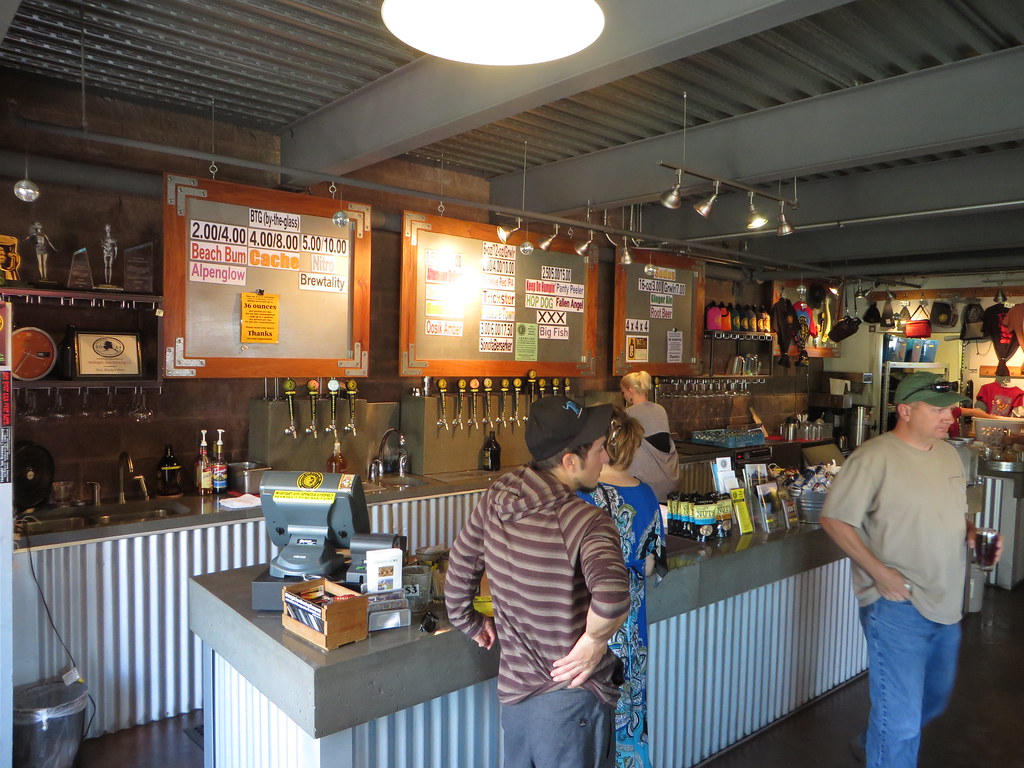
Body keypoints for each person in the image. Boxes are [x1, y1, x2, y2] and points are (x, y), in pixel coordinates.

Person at [819, 372, 1003, 768]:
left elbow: (956, 515)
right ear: (905, 410)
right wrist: (880, 573)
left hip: (946, 603)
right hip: (895, 606)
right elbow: (835, 519)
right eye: (938, 409)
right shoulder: (873, 456)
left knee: (931, 701)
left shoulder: (948, 453)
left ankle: (874, 743)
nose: (949, 417)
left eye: (950, 409)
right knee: (901, 724)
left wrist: (975, 534)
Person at [445, 396, 630, 768]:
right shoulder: (586, 521)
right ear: (569, 461)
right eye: (599, 449)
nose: (606, 458)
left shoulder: (498, 495)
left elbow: (458, 577)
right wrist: (594, 642)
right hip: (570, 704)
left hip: (516, 700)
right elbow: (611, 599)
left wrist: (472, 623)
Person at [577, 407, 665, 768]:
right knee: (630, 701)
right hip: (632, 617)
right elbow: (652, 563)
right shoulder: (646, 494)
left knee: (587, 710)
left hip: (590, 615)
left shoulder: (585, 495)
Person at [620, 371, 680, 502]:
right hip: (667, 481)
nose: (623, 396)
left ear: (631, 391)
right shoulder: (660, 409)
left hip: (644, 484)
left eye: (623, 392)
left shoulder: (628, 414)